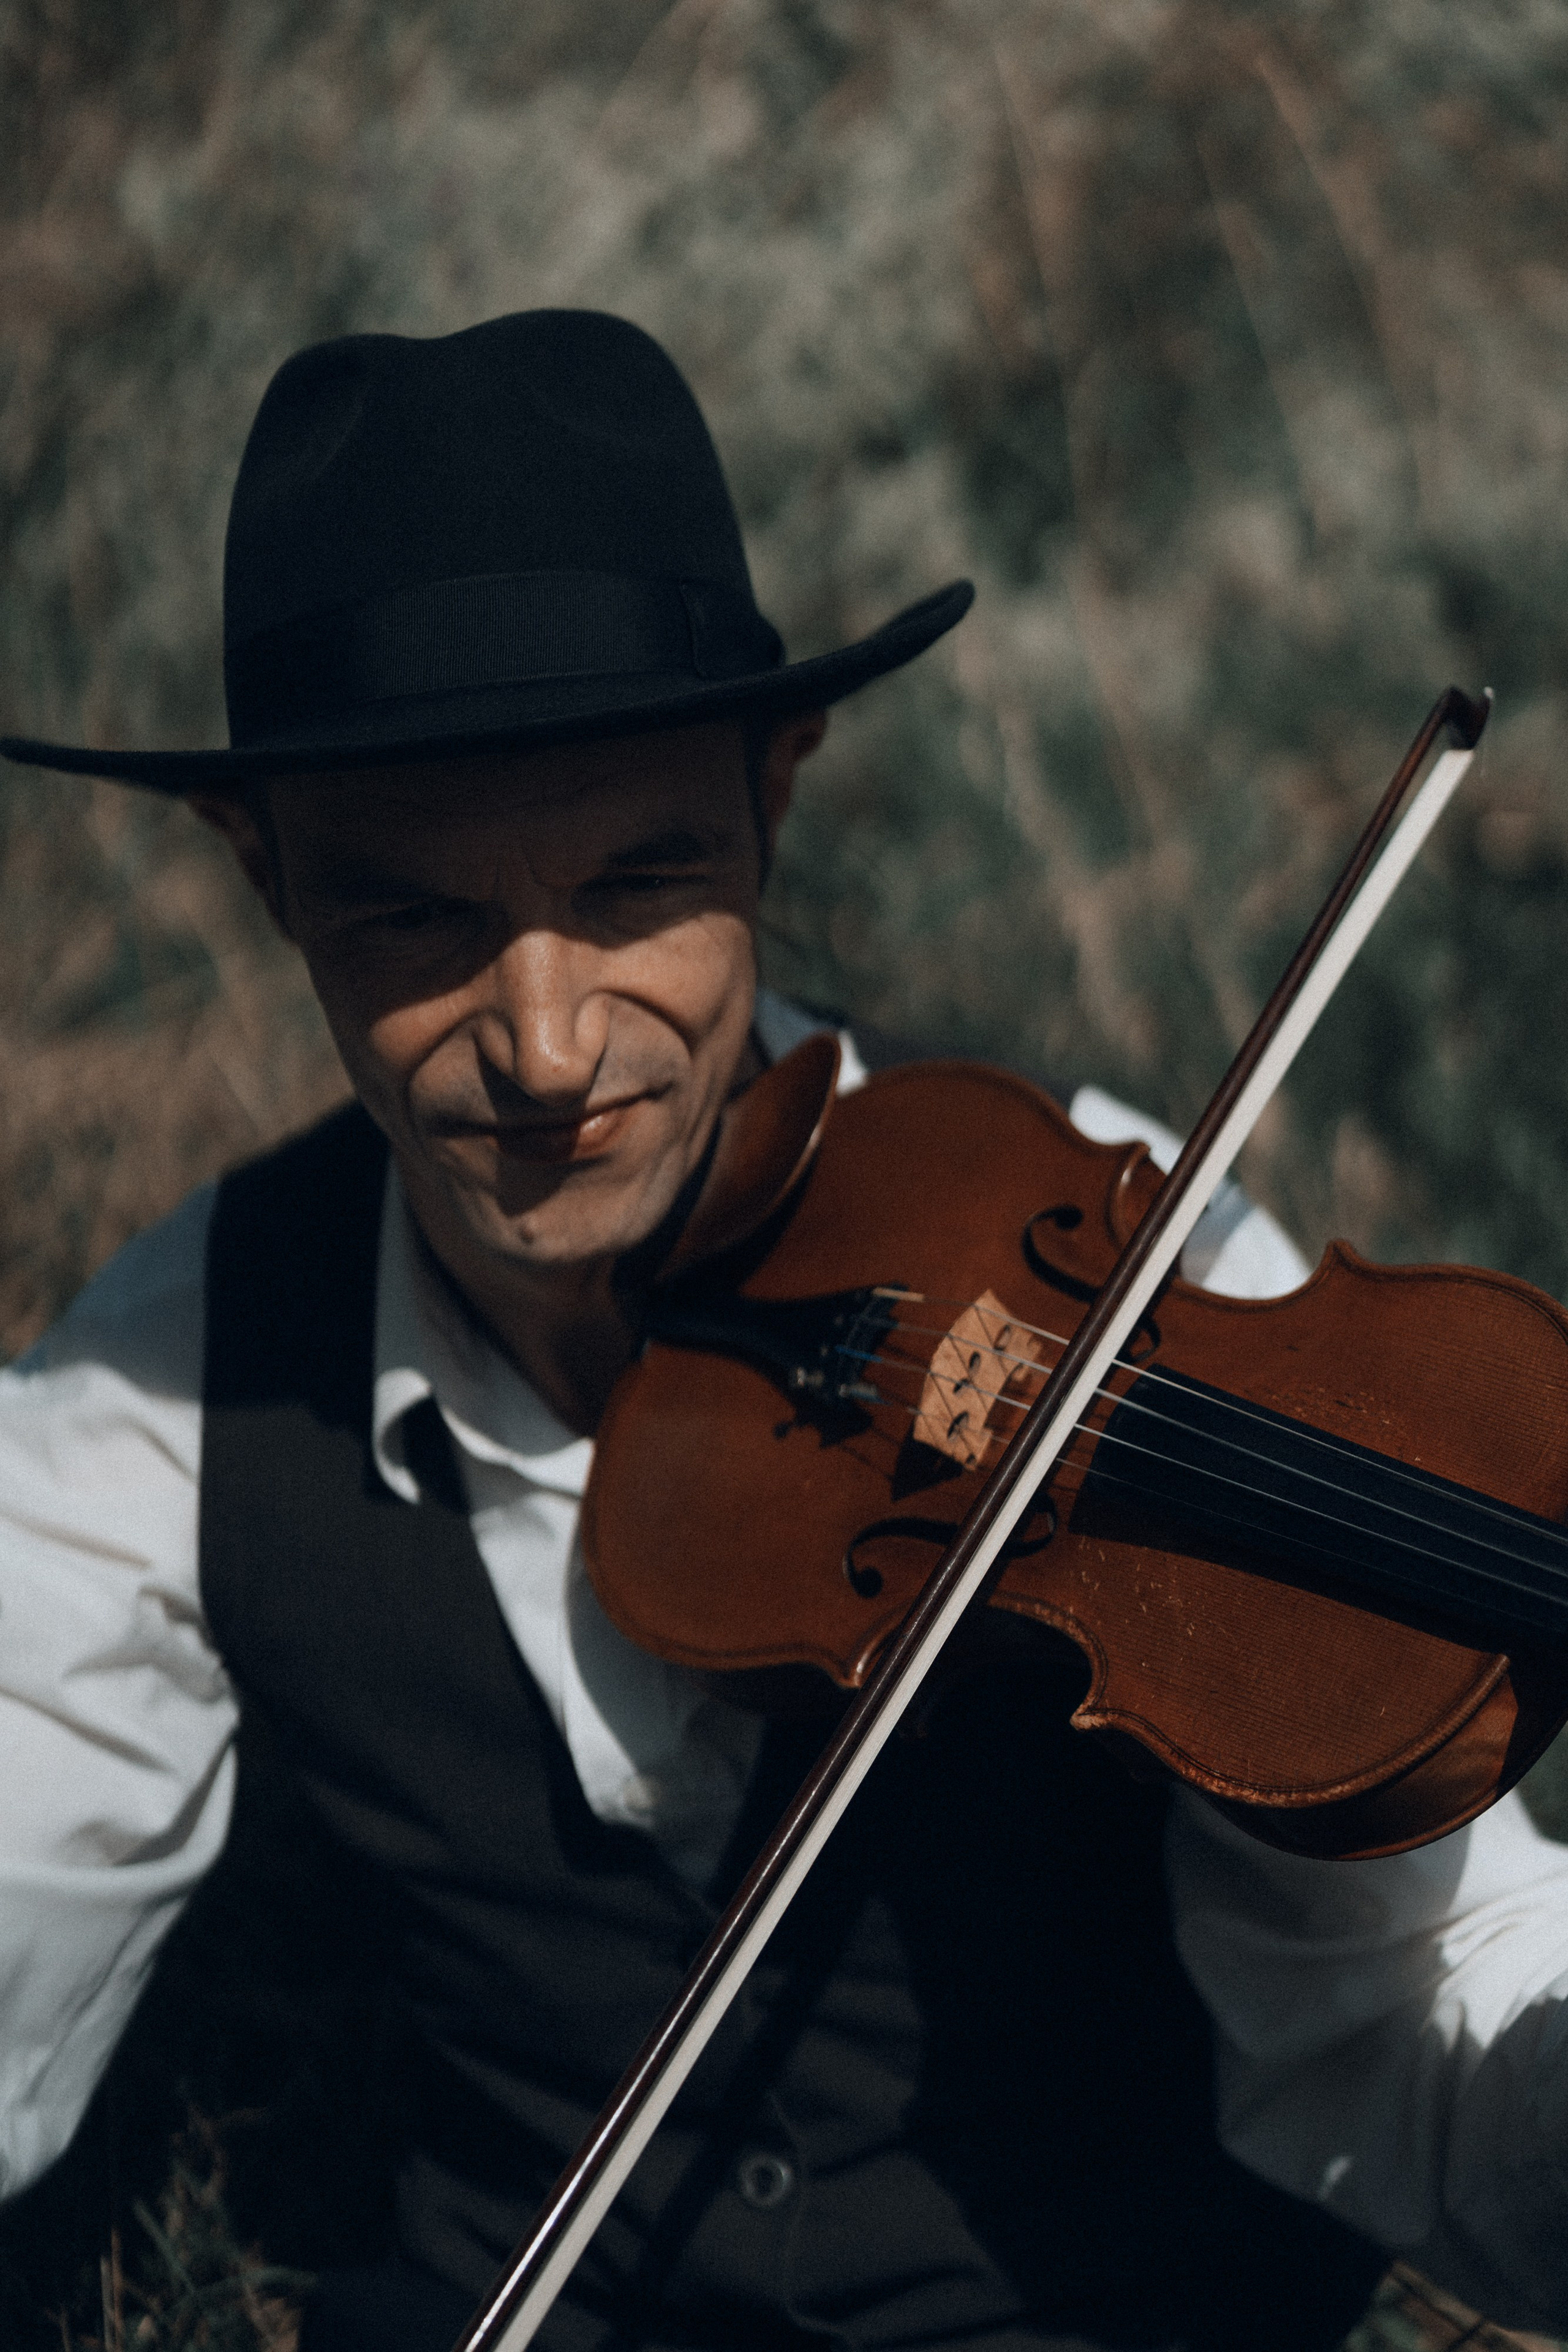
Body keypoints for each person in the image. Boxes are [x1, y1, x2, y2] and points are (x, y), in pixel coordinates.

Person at [2, 309, 1567, 2352]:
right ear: (264, 873)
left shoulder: (1139, 1260)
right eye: (417, 917)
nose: (548, 1046)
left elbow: (1413, 2023)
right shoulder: (183, 1362)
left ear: (778, 788)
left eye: (638, 883)